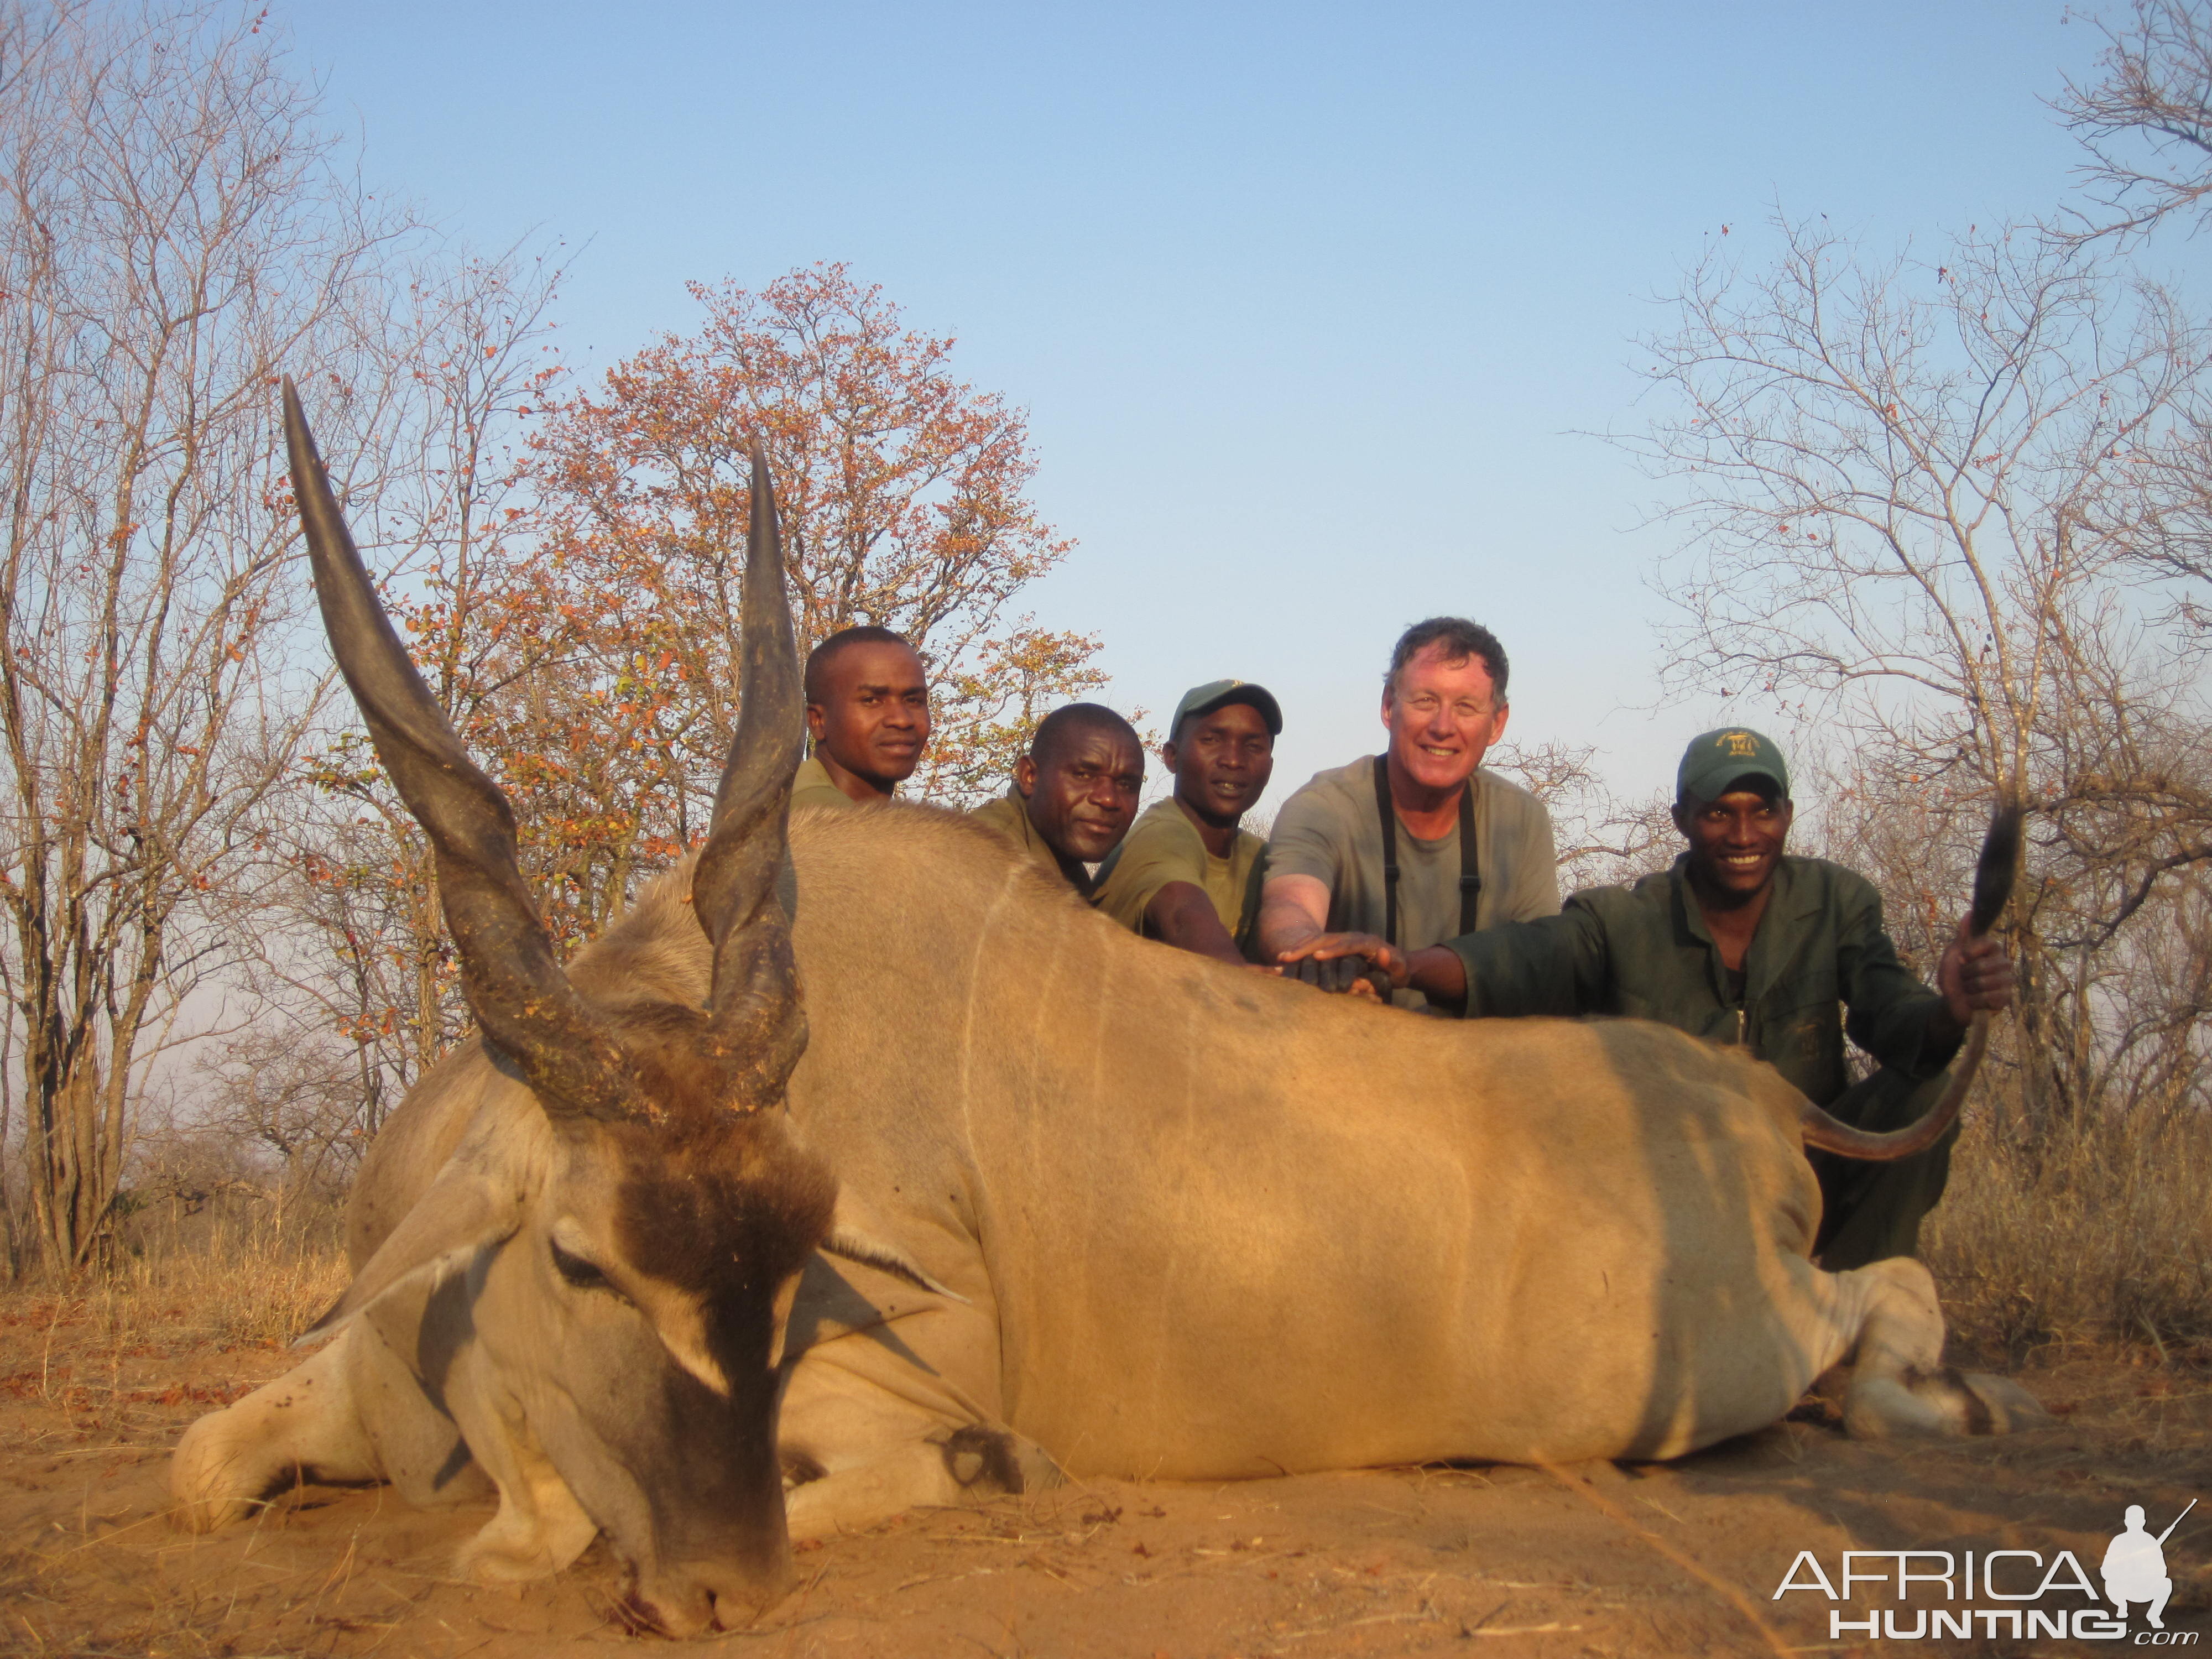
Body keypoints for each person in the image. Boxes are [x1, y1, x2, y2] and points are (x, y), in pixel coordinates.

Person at [1363, 726, 2013, 1270]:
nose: (1742, 834)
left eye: (1762, 811)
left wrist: (1950, 1010)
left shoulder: (1837, 902)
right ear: (1680, 820)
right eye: (1717, 812)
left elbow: (1891, 1017)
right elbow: (1526, 959)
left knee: (1922, 1098)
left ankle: (1853, 1316)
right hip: (1672, 1191)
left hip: (1806, 1167)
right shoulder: (1623, 918)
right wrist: (1407, 966)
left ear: (1787, 815)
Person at [1258, 617, 1559, 1010]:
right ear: (1388, 706)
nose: (1443, 727)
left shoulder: (1521, 820)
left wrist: (1404, 967)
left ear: (1497, 723)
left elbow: (1539, 958)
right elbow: (1290, 904)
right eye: (1425, 701)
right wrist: (1309, 950)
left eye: (1466, 707)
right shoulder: (1323, 805)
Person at [1093, 680, 1281, 964]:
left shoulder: (1261, 858)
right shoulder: (1160, 835)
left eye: (1253, 746)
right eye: (1212, 740)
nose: (1233, 760)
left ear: (1269, 768)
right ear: (1172, 756)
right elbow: (1183, 918)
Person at [968, 703, 1144, 897]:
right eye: (1084, 775)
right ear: (1030, 776)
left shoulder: (1061, 861)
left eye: (1126, 785)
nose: (1109, 799)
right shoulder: (985, 858)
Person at [792, 625, 930, 809]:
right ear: (817, 721)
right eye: (871, 700)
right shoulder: (810, 821)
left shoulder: (875, 821)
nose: (902, 720)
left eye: (914, 700)